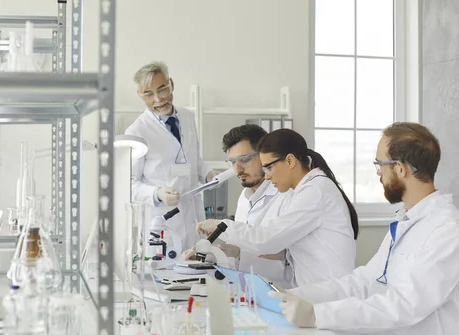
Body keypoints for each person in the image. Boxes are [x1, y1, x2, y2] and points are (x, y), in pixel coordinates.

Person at [269, 122, 459, 335]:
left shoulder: (447, 231)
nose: (378, 172)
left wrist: (319, 315)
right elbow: (364, 281)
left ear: (401, 168)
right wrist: (296, 295)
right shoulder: (409, 221)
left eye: (380, 164)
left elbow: (403, 307)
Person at [196, 129, 359, 287]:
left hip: (329, 298)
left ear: (290, 161)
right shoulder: (306, 189)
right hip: (314, 294)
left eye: (269, 167)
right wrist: (235, 252)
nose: (267, 176)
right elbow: (287, 253)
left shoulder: (314, 191)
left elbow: (266, 240)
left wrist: (221, 226)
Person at [188, 124, 292, 288]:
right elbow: (247, 248)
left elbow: (284, 256)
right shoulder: (244, 198)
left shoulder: (286, 195)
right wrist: (219, 254)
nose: (238, 169)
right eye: (233, 162)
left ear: (264, 155)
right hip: (250, 293)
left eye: (245, 160)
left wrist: (223, 227)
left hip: (285, 294)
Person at [127, 61, 218, 250]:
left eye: (162, 89)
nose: (158, 99)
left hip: (193, 217)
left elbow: (194, 160)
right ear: (140, 95)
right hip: (162, 223)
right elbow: (129, 184)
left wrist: (208, 173)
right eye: (149, 94)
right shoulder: (137, 131)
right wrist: (157, 193)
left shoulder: (187, 117)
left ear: (171, 84)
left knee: (195, 270)